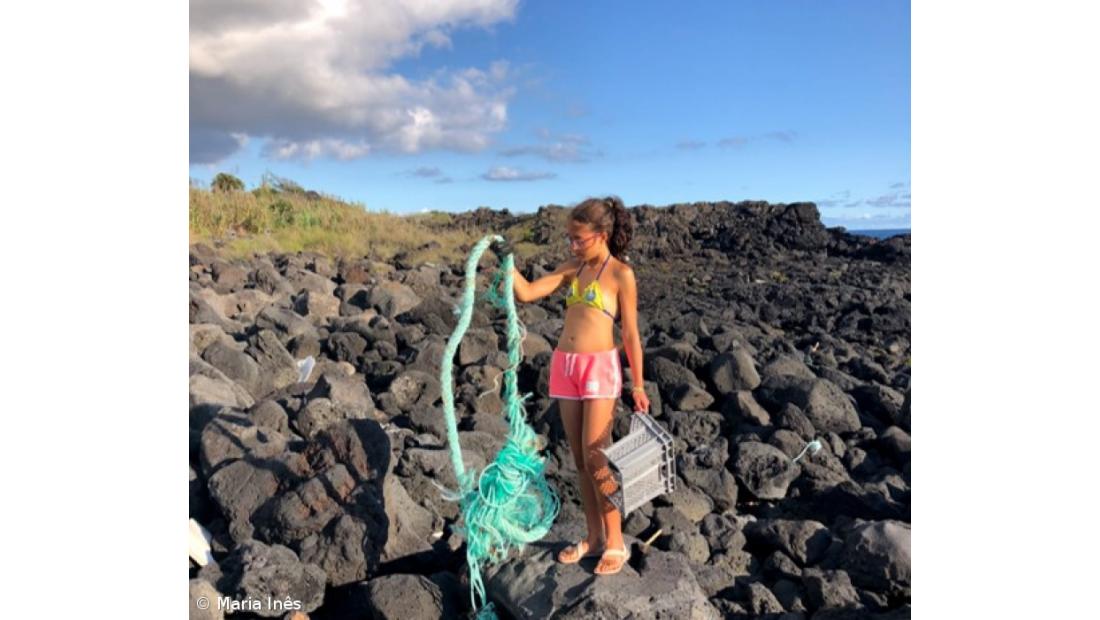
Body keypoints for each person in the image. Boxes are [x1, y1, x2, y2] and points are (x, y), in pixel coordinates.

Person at [507, 196, 649, 576]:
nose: (572, 246)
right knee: (580, 461)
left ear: (601, 235)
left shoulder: (621, 274)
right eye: (569, 238)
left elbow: (630, 335)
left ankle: (616, 541)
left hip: (600, 369)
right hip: (565, 367)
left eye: (578, 239)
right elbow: (528, 292)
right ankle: (594, 537)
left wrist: (638, 384)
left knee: (597, 457)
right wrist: (506, 263)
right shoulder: (573, 268)